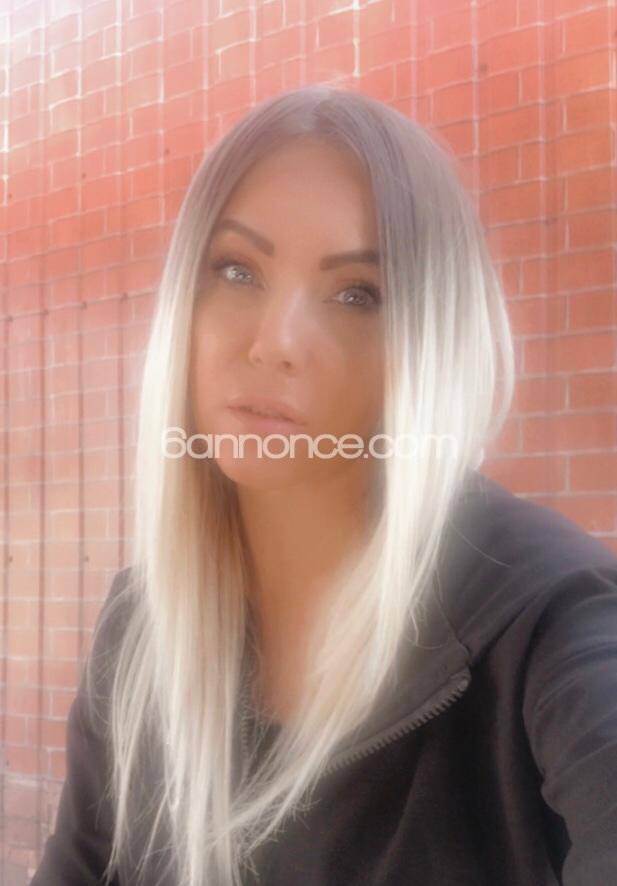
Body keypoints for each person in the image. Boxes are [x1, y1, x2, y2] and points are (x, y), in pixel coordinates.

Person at [30, 84, 617, 886]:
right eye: (236, 270)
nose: (275, 342)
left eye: (355, 295)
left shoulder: (549, 615)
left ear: (427, 341)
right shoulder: (143, 626)